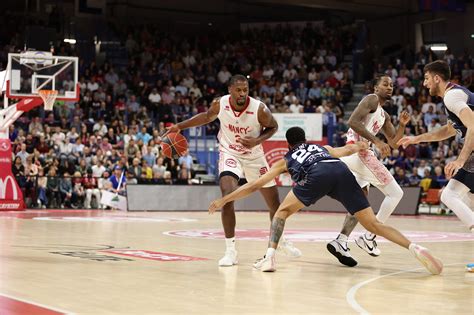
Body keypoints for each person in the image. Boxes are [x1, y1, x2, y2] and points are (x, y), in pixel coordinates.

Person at [209, 127, 443, 275]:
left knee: (280, 213)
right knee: (374, 226)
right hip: (339, 171)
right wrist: (361, 145)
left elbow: (255, 184)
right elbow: (346, 150)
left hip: (315, 176)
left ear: (289, 145)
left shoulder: (286, 159)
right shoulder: (322, 147)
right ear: (306, 140)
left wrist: (225, 199)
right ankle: (414, 247)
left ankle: (269, 257)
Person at [165, 74, 301, 266]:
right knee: (227, 196)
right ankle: (231, 251)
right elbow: (205, 117)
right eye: (238, 90)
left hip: (254, 156)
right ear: (230, 90)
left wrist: (257, 140)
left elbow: (273, 127)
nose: (242, 93)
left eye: (245, 90)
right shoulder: (220, 104)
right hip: (230, 153)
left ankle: (279, 241)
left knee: (274, 204)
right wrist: (179, 126)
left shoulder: (259, 109)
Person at [327, 74, 411, 267]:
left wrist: (401, 126)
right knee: (396, 193)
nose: (389, 87)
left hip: (358, 155)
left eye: (391, 85)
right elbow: (352, 122)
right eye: (385, 84)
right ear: (375, 88)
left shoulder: (384, 115)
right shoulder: (370, 99)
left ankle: (341, 240)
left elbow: (394, 143)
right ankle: (369, 236)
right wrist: (376, 141)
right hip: (359, 151)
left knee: (360, 201)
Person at [398, 60, 474, 232]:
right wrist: (417, 139)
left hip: (471, 156)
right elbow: (448, 130)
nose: (424, 83)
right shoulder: (453, 96)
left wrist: (460, 160)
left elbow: (473, 126)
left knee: (450, 195)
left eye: (426, 79)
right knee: (469, 200)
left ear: (437, 79)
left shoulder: (451, 96)